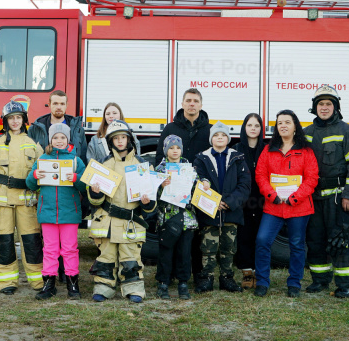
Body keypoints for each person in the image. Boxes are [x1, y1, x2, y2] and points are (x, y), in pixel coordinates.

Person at [303, 86, 349, 299]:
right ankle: (320, 280)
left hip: (339, 198)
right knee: (315, 240)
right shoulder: (306, 134)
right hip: (313, 198)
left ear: (336, 107)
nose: (324, 108)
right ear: (315, 108)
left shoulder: (348, 132)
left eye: (328, 104)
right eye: (320, 104)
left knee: (341, 239)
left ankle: (345, 283)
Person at [0, 101, 44, 295]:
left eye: (18, 117)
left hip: (27, 201)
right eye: (11, 118)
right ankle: (7, 282)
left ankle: (38, 280)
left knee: (32, 242)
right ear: (5, 121)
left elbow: (42, 174)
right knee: (4, 242)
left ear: (24, 120)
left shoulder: (34, 144)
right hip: (1, 201)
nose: (15, 121)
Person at [88, 120, 156, 303]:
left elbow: (151, 205)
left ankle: (134, 289)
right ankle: (103, 287)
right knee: (106, 257)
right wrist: (95, 192)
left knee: (131, 258)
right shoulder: (103, 164)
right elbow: (96, 201)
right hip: (108, 220)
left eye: (123, 137)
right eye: (115, 138)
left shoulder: (142, 165)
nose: (119, 141)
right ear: (110, 142)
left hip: (131, 221)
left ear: (129, 140)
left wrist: (147, 202)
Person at [254, 110, 318, 298]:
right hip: (273, 206)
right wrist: (271, 195)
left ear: (295, 126)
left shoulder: (306, 151)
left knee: (297, 245)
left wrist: (295, 198)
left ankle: (294, 283)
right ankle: (263, 282)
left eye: (287, 122)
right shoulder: (268, 150)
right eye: (279, 123)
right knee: (262, 240)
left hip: (298, 207)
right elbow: (260, 175)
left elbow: (312, 178)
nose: (283, 126)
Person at [26, 123, 87, 300]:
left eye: (62, 137)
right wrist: (35, 175)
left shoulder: (76, 160)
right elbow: (30, 184)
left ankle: (72, 283)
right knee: (50, 249)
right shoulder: (43, 159)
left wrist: (76, 178)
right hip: (48, 212)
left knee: (70, 249)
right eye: (55, 137)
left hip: (70, 212)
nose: (59, 141)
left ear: (68, 139)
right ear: (50, 140)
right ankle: (48, 283)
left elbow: (85, 185)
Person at [192, 122, 251, 294]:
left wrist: (229, 202)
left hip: (231, 212)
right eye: (216, 135)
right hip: (209, 212)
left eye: (223, 135)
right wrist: (213, 203)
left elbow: (245, 185)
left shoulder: (237, 158)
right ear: (211, 139)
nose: (220, 138)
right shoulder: (201, 159)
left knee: (229, 248)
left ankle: (227, 278)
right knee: (208, 248)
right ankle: (207, 278)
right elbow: (196, 182)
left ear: (228, 138)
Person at [155, 135, 198, 300]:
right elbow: (153, 194)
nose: (175, 151)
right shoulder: (160, 169)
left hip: (187, 219)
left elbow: (197, 186)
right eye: (171, 148)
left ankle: (183, 282)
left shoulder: (189, 168)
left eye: (177, 147)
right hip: (167, 219)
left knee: (184, 252)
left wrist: (204, 182)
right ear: (166, 150)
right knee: (166, 251)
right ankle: (163, 282)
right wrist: (161, 186)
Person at [233, 113, 267, 290]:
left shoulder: (268, 149)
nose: (253, 128)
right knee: (244, 236)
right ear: (244, 128)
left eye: (257, 125)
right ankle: (247, 272)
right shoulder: (236, 149)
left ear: (261, 129)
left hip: (263, 200)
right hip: (243, 201)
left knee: (261, 237)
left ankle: (259, 273)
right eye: (250, 125)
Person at [154, 88, 211, 166]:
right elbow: (160, 156)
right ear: (182, 104)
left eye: (196, 101)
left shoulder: (210, 130)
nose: (192, 104)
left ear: (201, 106)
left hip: (202, 177)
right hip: (175, 176)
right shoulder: (170, 128)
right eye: (188, 100)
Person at [29, 90, 88, 164]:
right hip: (44, 173)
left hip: (71, 174)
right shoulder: (36, 129)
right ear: (49, 105)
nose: (59, 107)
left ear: (66, 105)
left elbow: (83, 157)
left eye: (62, 104)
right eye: (55, 104)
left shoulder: (78, 129)